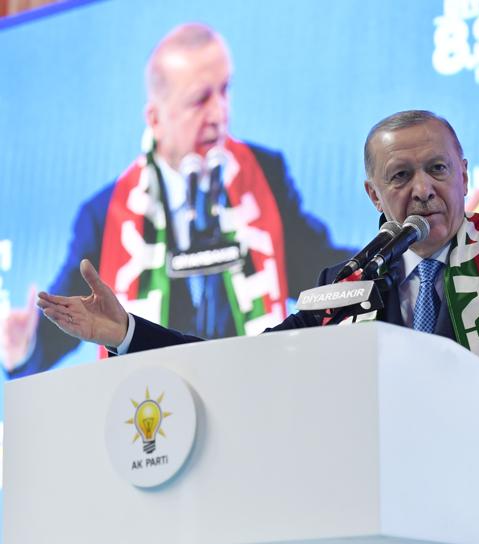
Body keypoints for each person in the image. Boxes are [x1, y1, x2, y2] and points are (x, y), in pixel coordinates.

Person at [37, 109, 479, 402]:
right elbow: (246, 363)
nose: (422, 189)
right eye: (401, 176)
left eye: (437, 170)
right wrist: (127, 334)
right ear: (374, 194)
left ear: (464, 176)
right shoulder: (346, 285)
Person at [1, 23, 351, 379]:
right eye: (200, 100)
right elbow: (78, 316)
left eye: (224, 91)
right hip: (159, 396)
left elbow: (312, 265)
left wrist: (378, 264)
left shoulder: (265, 173)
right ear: (155, 119)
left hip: (255, 383)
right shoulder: (104, 213)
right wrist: (24, 348)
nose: (219, 114)